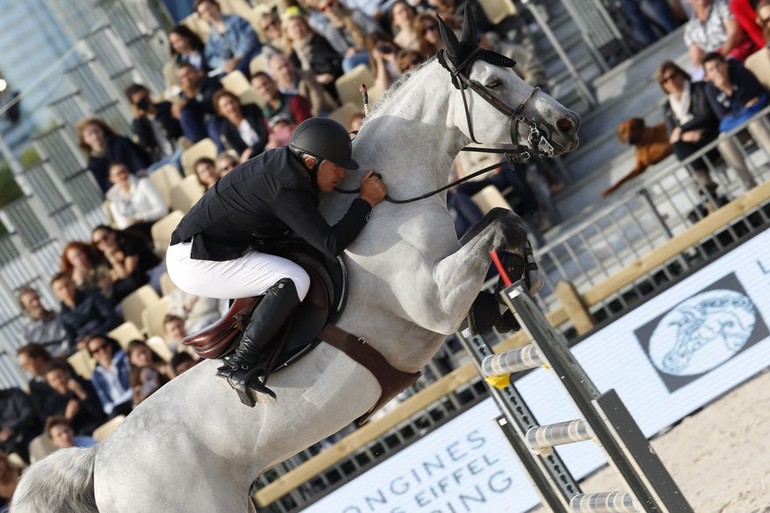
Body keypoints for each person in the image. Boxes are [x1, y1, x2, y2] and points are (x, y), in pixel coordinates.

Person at [166, 117, 387, 406]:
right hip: (197, 261)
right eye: (335, 166)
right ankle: (239, 366)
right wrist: (365, 202)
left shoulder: (288, 165)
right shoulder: (285, 186)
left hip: (215, 247)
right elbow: (332, 244)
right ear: (310, 161)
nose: (341, 174)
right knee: (294, 278)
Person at [658, 60, 752, 202]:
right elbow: (673, 136)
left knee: (685, 147)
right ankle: (706, 186)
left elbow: (707, 115)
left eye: (673, 76)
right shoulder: (667, 107)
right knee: (678, 146)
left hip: (712, 135)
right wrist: (685, 135)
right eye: (665, 80)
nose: (671, 81)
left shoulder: (699, 88)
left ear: (681, 74)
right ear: (663, 86)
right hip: (694, 148)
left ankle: (708, 193)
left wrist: (683, 129)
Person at [703, 51, 770, 188]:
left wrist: (728, 89)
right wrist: (741, 109)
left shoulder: (740, 72)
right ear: (708, 75)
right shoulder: (710, 89)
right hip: (739, 128)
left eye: (718, 66)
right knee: (724, 141)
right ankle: (749, 184)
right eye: (711, 70)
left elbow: (754, 101)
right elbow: (723, 118)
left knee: (755, 123)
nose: (716, 71)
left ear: (725, 64)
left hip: (760, 117)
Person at [76, 118, 152, 193]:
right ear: (85, 140)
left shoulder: (121, 142)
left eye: (96, 131)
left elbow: (140, 162)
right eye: (90, 134)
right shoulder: (93, 163)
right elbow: (105, 187)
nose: (95, 136)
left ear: (103, 130)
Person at [51, 272, 121, 351]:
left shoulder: (92, 296)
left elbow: (112, 318)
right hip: (88, 349)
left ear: (73, 283)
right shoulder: (63, 315)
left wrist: (95, 336)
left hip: (107, 337)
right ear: (56, 294)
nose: (65, 290)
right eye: (60, 289)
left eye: (67, 285)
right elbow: (71, 343)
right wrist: (78, 346)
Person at [283, 10, 344, 100]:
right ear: (288, 33)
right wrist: (316, 79)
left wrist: (329, 74)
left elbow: (334, 58)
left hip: (334, 77)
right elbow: (299, 78)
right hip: (315, 88)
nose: (298, 29)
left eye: (299, 24)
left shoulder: (319, 40)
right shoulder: (292, 57)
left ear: (305, 25)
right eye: (293, 27)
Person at [91, 225, 165, 299]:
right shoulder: (107, 254)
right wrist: (112, 259)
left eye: (104, 238)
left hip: (154, 272)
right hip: (141, 280)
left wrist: (113, 260)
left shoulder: (128, 242)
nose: (103, 243)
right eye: (97, 243)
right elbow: (115, 276)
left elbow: (126, 273)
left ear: (112, 234)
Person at [684, 0, 754, 76]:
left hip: (734, 54)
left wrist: (719, 59)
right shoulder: (690, 29)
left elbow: (735, 35)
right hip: (714, 66)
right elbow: (696, 60)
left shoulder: (723, 5)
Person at [195, 0, 261, 76]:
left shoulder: (237, 20)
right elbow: (211, 58)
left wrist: (238, 58)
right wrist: (224, 64)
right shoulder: (211, 39)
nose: (208, 13)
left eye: (208, 8)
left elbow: (248, 39)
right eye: (203, 12)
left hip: (251, 58)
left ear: (216, 6)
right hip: (232, 68)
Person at [124, 83, 183, 166]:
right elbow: (146, 144)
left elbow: (176, 130)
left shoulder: (165, 107)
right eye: (140, 102)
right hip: (162, 159)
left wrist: (157, 114)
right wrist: (139, 120)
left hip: (178, 149)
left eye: (146, 98)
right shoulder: (139, 123)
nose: (145, 102)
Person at [105, 162, 169, 237]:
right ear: (111, 179)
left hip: (155, 224)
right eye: (118, 174)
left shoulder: (144, 184)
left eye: (124, 171)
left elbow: (162, 210)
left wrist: (141, 218)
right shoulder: (113, 200)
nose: (123, 175)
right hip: (133, 233)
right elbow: (121, 225)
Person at [42, 360, 105, 436]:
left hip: (100, 425)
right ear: (49, 384)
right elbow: (60, 433)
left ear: (66, 373)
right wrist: (68, 417)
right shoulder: (52, 404)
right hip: (80, 436)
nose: (59, 381)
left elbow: (99, 412)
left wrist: (82, 394)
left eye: (60, 376)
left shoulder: (84, 384)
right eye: (54, 380)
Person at [268, 52, 339, 117]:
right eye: (280, 68)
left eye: (286, 64)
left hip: (319, 114)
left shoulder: (307, 76)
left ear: (292, 63)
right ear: (274, 74)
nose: (285, 70)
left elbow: (318, 101)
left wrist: (308, 120)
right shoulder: (277, 90)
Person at [172, 63, 224, 147]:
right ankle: (199, 146)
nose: (187, 79)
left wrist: (190, 99)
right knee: (185, 113)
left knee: (212, 123)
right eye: (182, 77)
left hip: (217, 120)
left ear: (198, 72)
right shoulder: (183, 94)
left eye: (188, 73)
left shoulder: (211, 83)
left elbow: (212, 105)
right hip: (200, 127)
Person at [213, 90, 269, 163]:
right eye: (225, 105)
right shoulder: (226, 129)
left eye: (232, 101)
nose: (231, 107)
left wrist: (252, 150)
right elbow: (241, 152)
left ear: (237, 101)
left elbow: (265, 133)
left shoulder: (252, 109)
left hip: (268, 146)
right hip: (254, 159)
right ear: (220, 111)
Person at [85, 334, 133, 417]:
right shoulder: (96, 375)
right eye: (96, 350)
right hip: (116, 411)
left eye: (104, 346)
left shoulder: (125, 359)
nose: (102, 351)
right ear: (92, 355)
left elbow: (135, 384)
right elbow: (105, 402)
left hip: (134, 399)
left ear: (110, 345)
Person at [17, 287, 71, 357]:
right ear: (25, 308)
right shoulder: (25, 333)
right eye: (31, 302)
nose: (36, 303)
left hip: (69, 354)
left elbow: (69, 337)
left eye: (37, 298)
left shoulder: (59, 317)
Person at [0, 388, 39, 463]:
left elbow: (29, 414)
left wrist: (12, 429)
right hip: (9, 447)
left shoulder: (15, 393)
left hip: (29, 434)